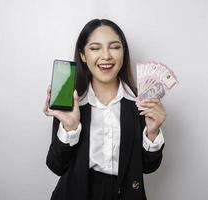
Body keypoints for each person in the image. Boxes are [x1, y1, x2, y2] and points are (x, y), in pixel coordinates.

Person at [43, 19, 166, 200]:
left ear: (123, 52)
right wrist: (70, 128)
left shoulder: (141, 103)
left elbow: (149, 167)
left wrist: (153, 133)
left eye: (114, 47)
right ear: (83, 55)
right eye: (95, 48)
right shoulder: (71, 102)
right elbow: (56, 166)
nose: (106, 55)